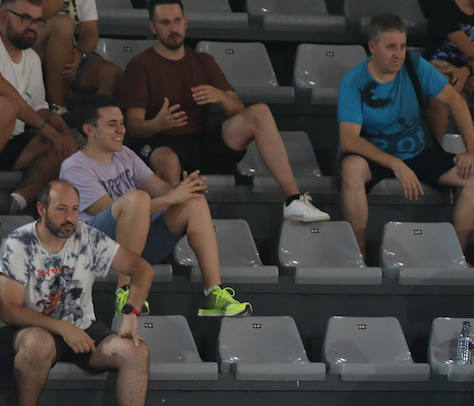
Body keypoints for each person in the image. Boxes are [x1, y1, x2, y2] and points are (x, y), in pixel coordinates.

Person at [122, 1, 329, 223]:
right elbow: (133, 125)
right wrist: (157, 124)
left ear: (185, 23)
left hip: (199, 143)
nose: (173, 28)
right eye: (165, 23)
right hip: (159, 142)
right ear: (153, 27)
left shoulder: (203, 61)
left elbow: (239, 111)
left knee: (259, 113)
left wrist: (221, 97)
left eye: (177, 21)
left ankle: (293, 200)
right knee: (167, 159)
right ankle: (172, 229)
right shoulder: (140, 65)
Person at [0, 179, 152, 406]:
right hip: (32, 325)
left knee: (135, 351)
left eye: (74, 209)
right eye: (61, 209)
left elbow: (142, 270)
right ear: (41, 209)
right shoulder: (18, 243)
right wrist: (62, 328)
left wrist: (131, 314)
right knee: (37, 344)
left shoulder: (89, 237)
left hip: (83, 327)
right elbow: (10, 310)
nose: (70, 218)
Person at [60, 98, 252, 318]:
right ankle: (124, 291)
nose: (122, 130)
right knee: (137, 199)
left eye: (122, 123)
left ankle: (213, 293)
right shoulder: (74, 166)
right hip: (97, 248)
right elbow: (114, 211)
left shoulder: (125, 154)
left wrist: (184, 188)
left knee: (193, 201)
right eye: (113, 124)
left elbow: (161, 189)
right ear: (89, 130)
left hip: (135, 240)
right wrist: (171, 198)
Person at [337, 13, 474, 256]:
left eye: (402, 46)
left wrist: (473, 150)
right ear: (372, 47)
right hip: (375, 157)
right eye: (390, 47)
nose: (398, 54)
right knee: (351, 168)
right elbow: (349, 140)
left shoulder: (414, 64)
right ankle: (359, 255)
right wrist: (395, 164)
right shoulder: (353, 81)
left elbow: (456, 101)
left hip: (416, 153)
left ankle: (455, 256)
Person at [0, 0, 77, 216]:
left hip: (12, 140)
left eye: (37, 21)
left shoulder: (32, 58)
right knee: (6, 107)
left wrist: (61, 130)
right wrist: (48, 129)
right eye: (26, 19)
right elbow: (12, 101)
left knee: (67, 146)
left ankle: (16, 202)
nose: (33, 27)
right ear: (4, 17)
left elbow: (39, 109)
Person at [424, 0, 474, 136]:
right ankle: (441, 151)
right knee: (438, 93)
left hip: (467, 67)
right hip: (439, 63)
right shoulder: (443, 8)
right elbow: (469, 49)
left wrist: (466, 71)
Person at [34, 0, 122, 112]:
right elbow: (36, 16)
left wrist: (81, 54)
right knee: (63, 24)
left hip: (69, 49)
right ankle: (59, 110)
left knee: (110, 74)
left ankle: (99, 121)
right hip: (29, 45)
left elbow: (90, 31)